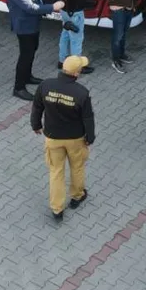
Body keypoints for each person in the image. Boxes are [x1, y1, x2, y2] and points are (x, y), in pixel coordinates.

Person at [31, 55, 96, 222]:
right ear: (76, 73)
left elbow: (37, 107)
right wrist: (90, 137)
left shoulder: (45, 85)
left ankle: (57, 209)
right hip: (75, 138)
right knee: (77, 167)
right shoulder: (81, 93)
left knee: (56, 172)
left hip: (53, 137)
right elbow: (88, 118)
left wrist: (36, 125)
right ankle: (77, 196)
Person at [7, 0, 65, 101]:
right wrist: (53, 7)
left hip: (33, 23)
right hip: (24, 26)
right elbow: (30, 8)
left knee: (33, 49)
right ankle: (19, 87)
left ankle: (28, 76)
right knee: (25, 55)